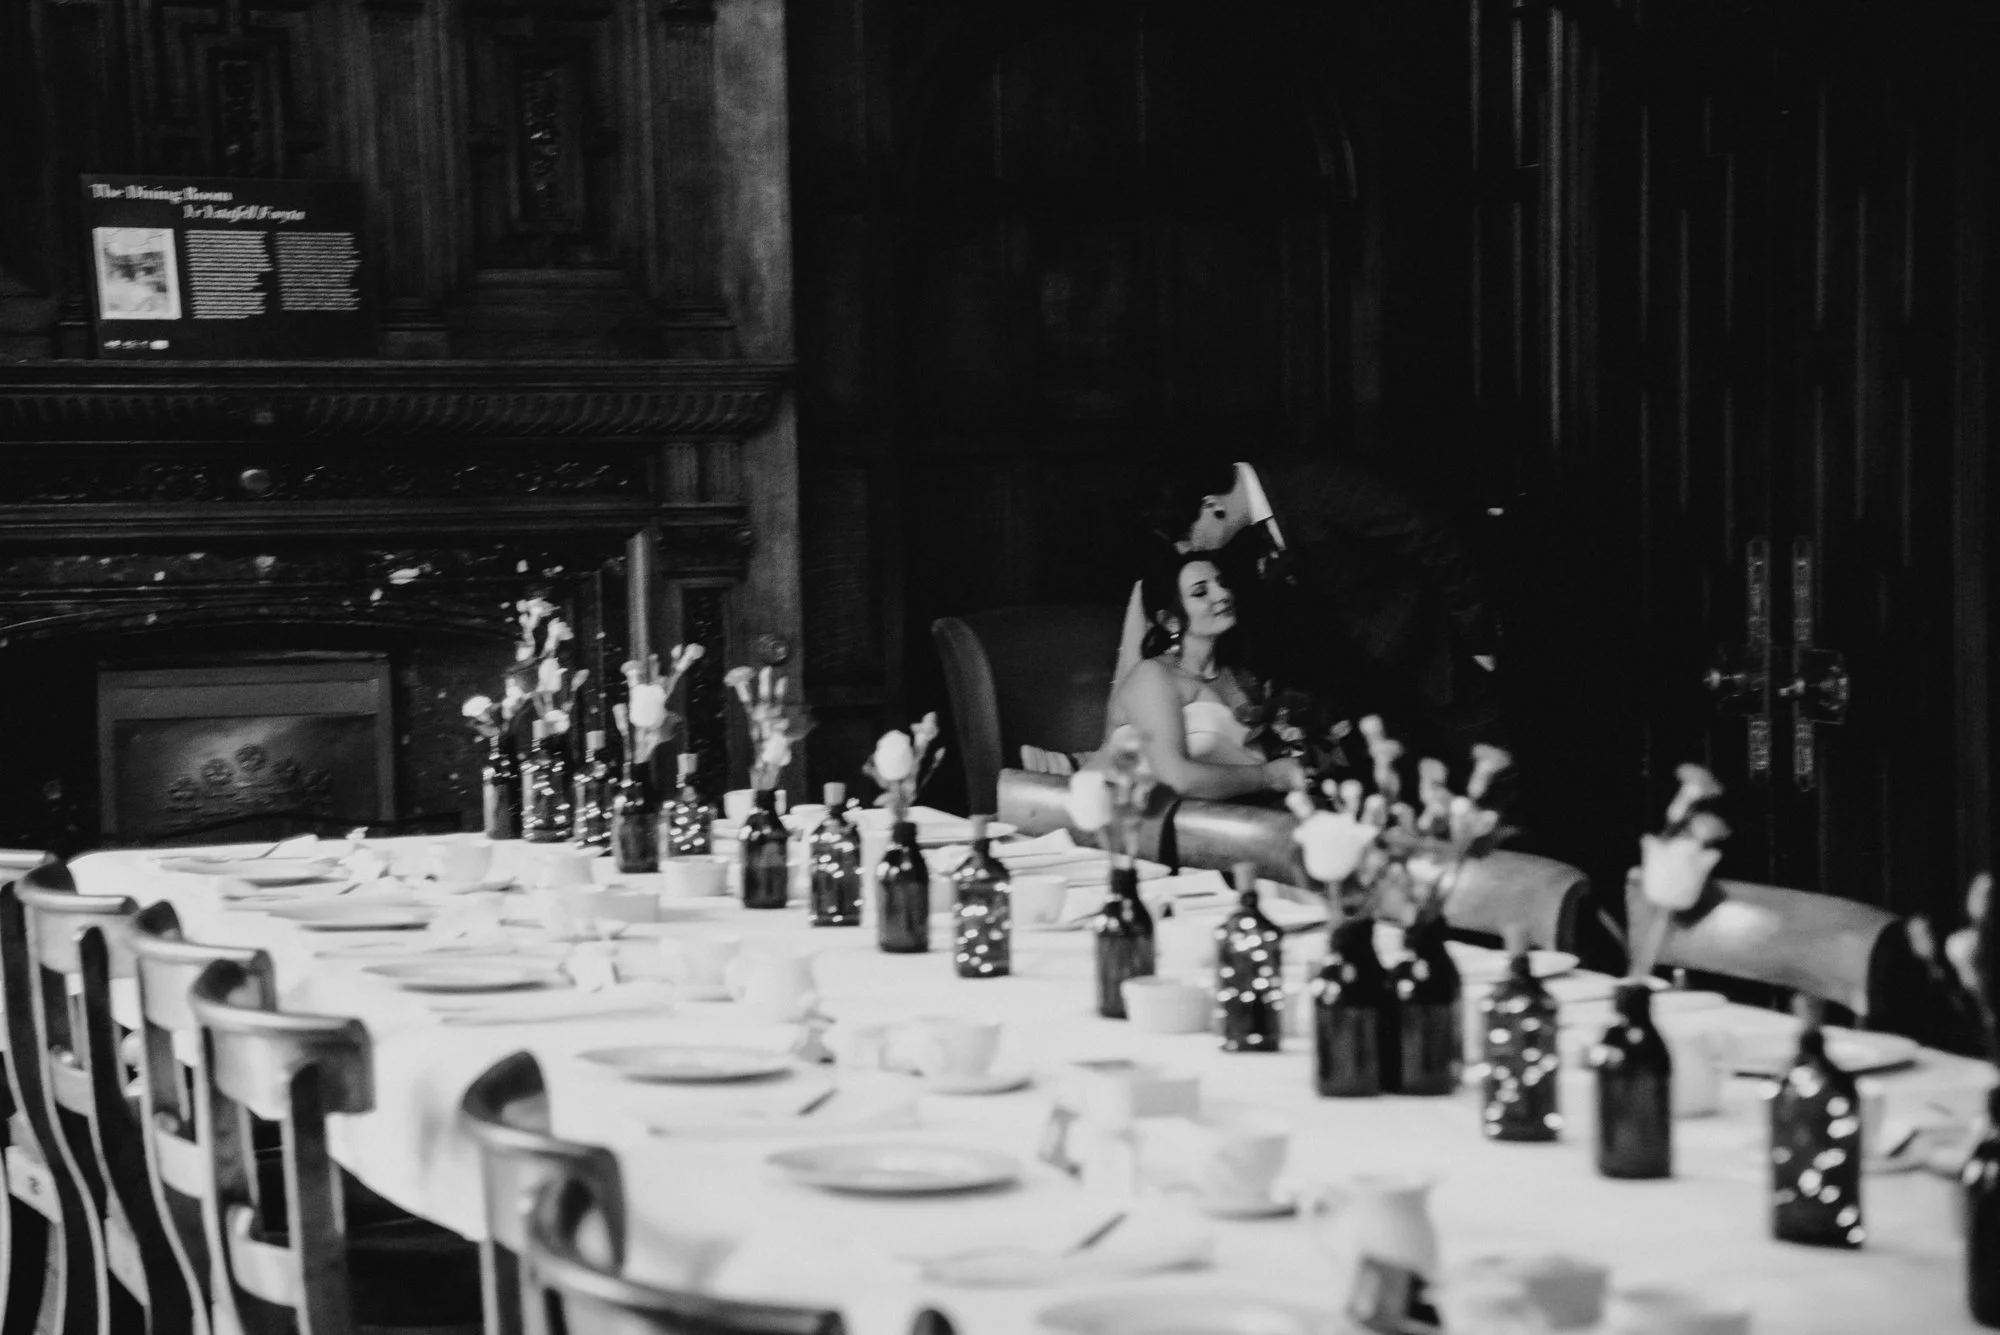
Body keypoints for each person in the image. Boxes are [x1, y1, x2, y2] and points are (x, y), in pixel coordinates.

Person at [1117, 454, 1500, 761]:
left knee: (1491, 800)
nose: (1187, 550)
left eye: (1185, 536)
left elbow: (1435, 540)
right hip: (1375, 702)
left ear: (1212, 505)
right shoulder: (1242, 545)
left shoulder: (1318, 483)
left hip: (1443, 667)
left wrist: (1478, 640)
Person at [1093, 550, 1306, 800]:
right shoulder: (1152, 676)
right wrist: (1268, 777)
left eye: (1222, 583)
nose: (1223, 594)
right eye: (1201, 592)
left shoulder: (1240, 677)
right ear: (1170, 621)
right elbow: (1173, 778)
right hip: (1152, 823)